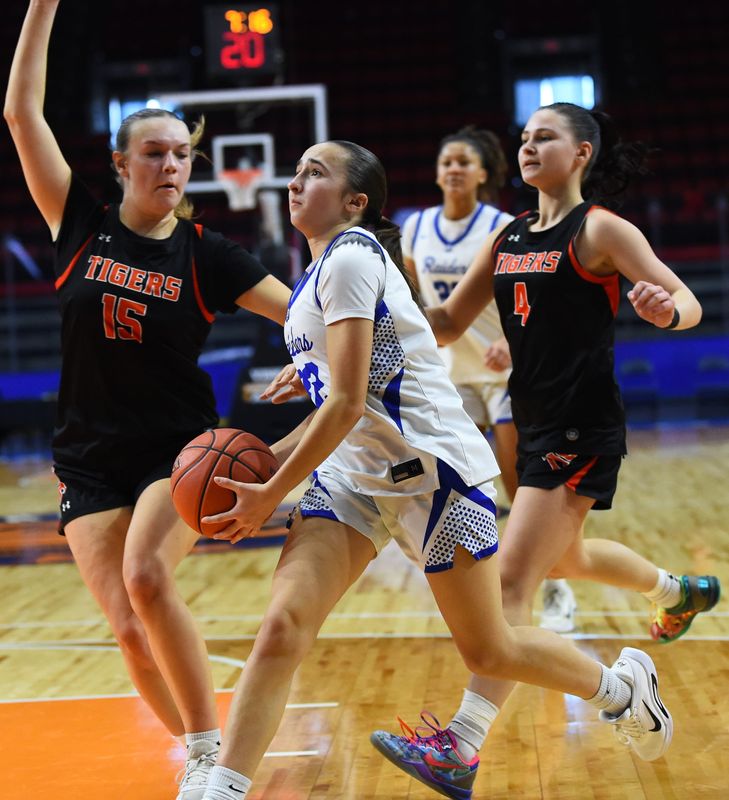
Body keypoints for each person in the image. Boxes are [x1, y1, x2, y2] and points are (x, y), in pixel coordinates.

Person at [194, 139, 674, 800]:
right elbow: (348, 400)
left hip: (435, 478)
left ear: (355, 202)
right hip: (353, 483)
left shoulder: (353, 257)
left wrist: (270, 489)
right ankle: (220, 789)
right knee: (282, 626)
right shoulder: (311, 278)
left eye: (315, 172)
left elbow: (347, 401)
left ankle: (622, 688)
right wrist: (260, 465)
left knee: (489, 650)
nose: (296, 181)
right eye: (296, 170)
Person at [370, 103, 720, 798]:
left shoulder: (599, 229)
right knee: (567, 557)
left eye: (545, 138)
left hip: (578, 427)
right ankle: (680, 592)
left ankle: (461, 747)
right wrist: (372, 306)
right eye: (524, 139)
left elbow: (687, 302)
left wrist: (664, 309)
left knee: (510, 586)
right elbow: (442, 322)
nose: (528, 147)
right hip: (534, 424)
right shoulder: (505, 236)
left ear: (582, 152)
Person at [3, 3, 291, 799]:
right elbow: (20, 113)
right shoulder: (79, 226)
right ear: (122, 163)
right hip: (88, 458)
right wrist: (42, 6)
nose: (171, 166)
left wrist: (312, 355)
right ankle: (201, 751)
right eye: (155, 154)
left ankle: (213, 760)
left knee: (148, 580)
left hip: (179, 450)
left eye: (182, 156)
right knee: (130, 632)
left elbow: (305, 310)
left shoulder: (210, 255)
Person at [402, 125, 576, 633]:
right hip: (450, 373)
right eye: (446, 161)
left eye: (463, 161)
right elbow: (416, 305)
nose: (453, 168)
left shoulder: (502, 225)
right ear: (437, 173)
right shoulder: (416, 227)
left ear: (483, 173)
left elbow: (538, 292)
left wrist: (515, 338)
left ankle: (555, 586)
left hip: (506, 370)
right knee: (440, 476)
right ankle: (475, 584)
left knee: (515, 480)